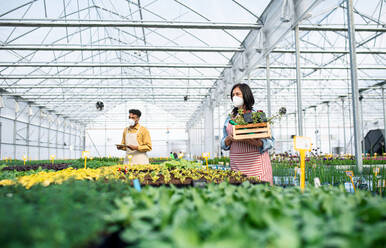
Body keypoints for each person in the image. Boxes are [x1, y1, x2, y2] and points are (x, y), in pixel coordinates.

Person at [221, 83, 274, 185]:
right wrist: (228, 139)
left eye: (237, 94)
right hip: (237, 168)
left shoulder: (258, 116)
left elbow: (271, 141)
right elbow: (223, 144)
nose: (234, 97)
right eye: (232, 95)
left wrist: (257, 142)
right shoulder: (229, 118)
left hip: (258, 168)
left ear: (246, 95)